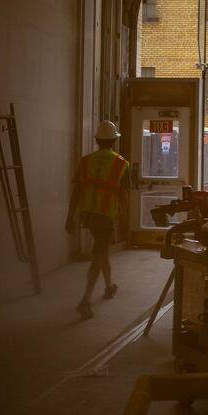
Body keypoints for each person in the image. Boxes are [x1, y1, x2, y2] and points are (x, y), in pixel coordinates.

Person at [65, 120, 131, 319]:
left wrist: (69, 217)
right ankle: (85, 300)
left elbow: (76, 191)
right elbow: (124, 195)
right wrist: (123, 219)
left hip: (89, 215)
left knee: (102, 252)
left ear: (97, 140)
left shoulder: (85, 161)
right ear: (114, 141)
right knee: (98, 255)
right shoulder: (121, 163)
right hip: (106, 216)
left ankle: (109, 286)